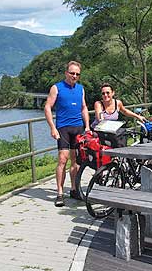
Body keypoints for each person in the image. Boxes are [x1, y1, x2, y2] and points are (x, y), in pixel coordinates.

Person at [44, 61, 90, 207]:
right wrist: (52, 127)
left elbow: (83, 107)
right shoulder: (56, 88)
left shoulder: (81, 89)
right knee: (62, 160)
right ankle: (59, 193)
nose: (74, 76)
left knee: (76, 161)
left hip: (78, 128)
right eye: (72, 73)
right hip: (63, 128)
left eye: (77, 74)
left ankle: (74, 189)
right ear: (66, 73)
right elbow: (47, 107)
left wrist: (87, 126)